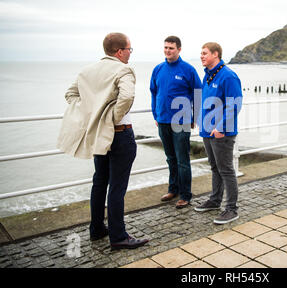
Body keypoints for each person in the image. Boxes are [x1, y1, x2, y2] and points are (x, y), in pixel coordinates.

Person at [57, 32, 149, 250]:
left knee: (99, 182)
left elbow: (70, 95)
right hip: (119, 133)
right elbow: (127, 97)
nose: (130, 53)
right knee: (117, 186)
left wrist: (92, 112)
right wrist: (112, 117)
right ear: (119, 51)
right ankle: (118, 237)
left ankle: (97, 229)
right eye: (129, 49)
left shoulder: (87, 71)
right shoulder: (123, 69)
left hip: (99, 134)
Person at [150, 36, 202, 209]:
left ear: (179, 49)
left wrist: (195, 117)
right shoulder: (158, 69)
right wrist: (155, 114)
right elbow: (153, 92)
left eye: (171, 48)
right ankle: (173, 189)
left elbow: (198, 94)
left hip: (181, 121)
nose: (167, 51)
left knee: (182, 160)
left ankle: (186, 195)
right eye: (165, 47)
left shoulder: (188, 70)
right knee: (170, 158)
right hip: (163, 120)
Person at [194, 42, 243, 224]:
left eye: (205, 53)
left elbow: (235, 103)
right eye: (201, 53)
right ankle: (215, 200)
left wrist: (221, 127)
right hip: (207, 130)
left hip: (222, 132)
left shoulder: (228, 76)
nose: (201, 56)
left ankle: (231, 209)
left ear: (216, 54)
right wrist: (200, 121)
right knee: (215, 167)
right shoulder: (207, 76)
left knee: (226, 170)